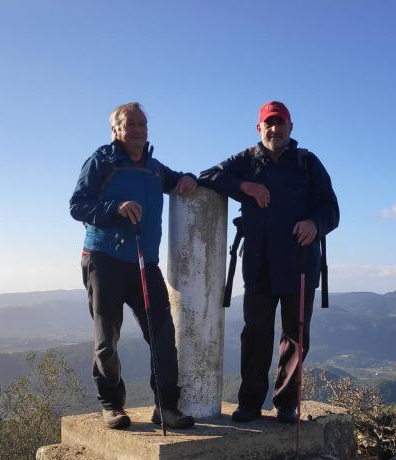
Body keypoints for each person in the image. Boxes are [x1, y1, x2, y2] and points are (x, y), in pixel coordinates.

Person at [199, 101, 340, 423]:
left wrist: (315, 224)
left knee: (296, 336)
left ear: (291, 127)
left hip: (301, 263)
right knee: (256, 334)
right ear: (259, 128)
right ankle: (249, 403)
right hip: (259, 264)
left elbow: (331, 208)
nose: (274, 129)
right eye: (268, 124)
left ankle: (285, 404)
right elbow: (207, 176)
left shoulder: (307, 163)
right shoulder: (246, 161)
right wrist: (243, 185)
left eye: (280, 123)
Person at [70, 102, 196, 430]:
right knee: (106, 338)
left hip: (144, 262)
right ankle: (112, 405)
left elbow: (177, 179)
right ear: (116, 130)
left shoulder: (154, 168)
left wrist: (188, 178)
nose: (139, 129)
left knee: (163, 334)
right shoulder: (102, 161)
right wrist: (116, 208)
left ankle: (166, 406)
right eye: (131, 124)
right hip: (104, 259)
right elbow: (77, 205)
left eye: (143, 124)